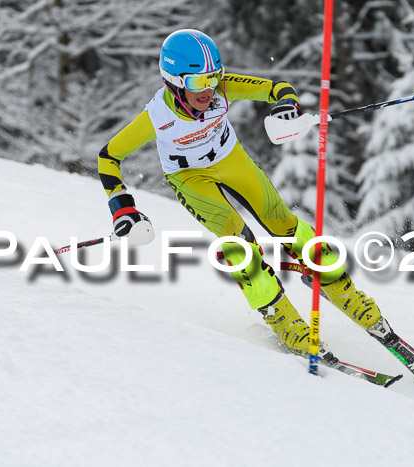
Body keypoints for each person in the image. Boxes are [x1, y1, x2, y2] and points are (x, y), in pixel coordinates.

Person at [98, 29, 392, 357]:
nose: (208, 89)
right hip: (189, 178)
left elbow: (275, 88)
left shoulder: (223, 88)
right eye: (197, 83)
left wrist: (287, 105)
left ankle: (344, 291)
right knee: (239, 242)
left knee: (283, 223)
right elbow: (108, 157)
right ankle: (283, 320)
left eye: (213, 77)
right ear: (173, 81)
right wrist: (122, 208)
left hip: (230, 160)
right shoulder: (157, 117)